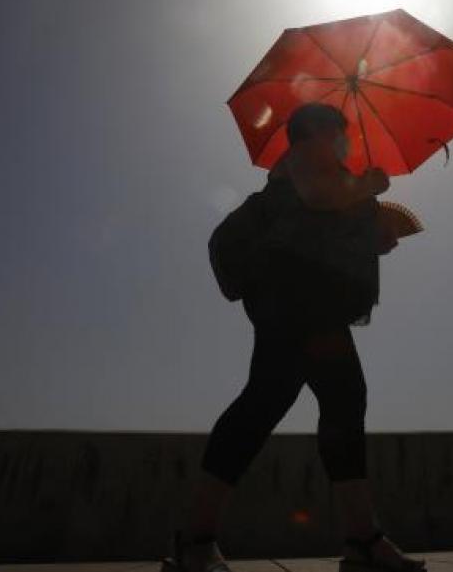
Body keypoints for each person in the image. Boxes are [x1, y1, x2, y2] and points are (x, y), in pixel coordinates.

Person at [165, 103, 424, 572]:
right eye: (340, 131)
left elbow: (324, 222)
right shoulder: (302, 155)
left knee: (283, 401)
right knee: (318, 401)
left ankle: (199, 541)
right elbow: (315, 197)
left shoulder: (324, 166)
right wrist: (369, 184)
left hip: (302, 297)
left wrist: (374, 232)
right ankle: (358, 541)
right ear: (317, 131)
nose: (346, 139)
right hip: (296, 296)